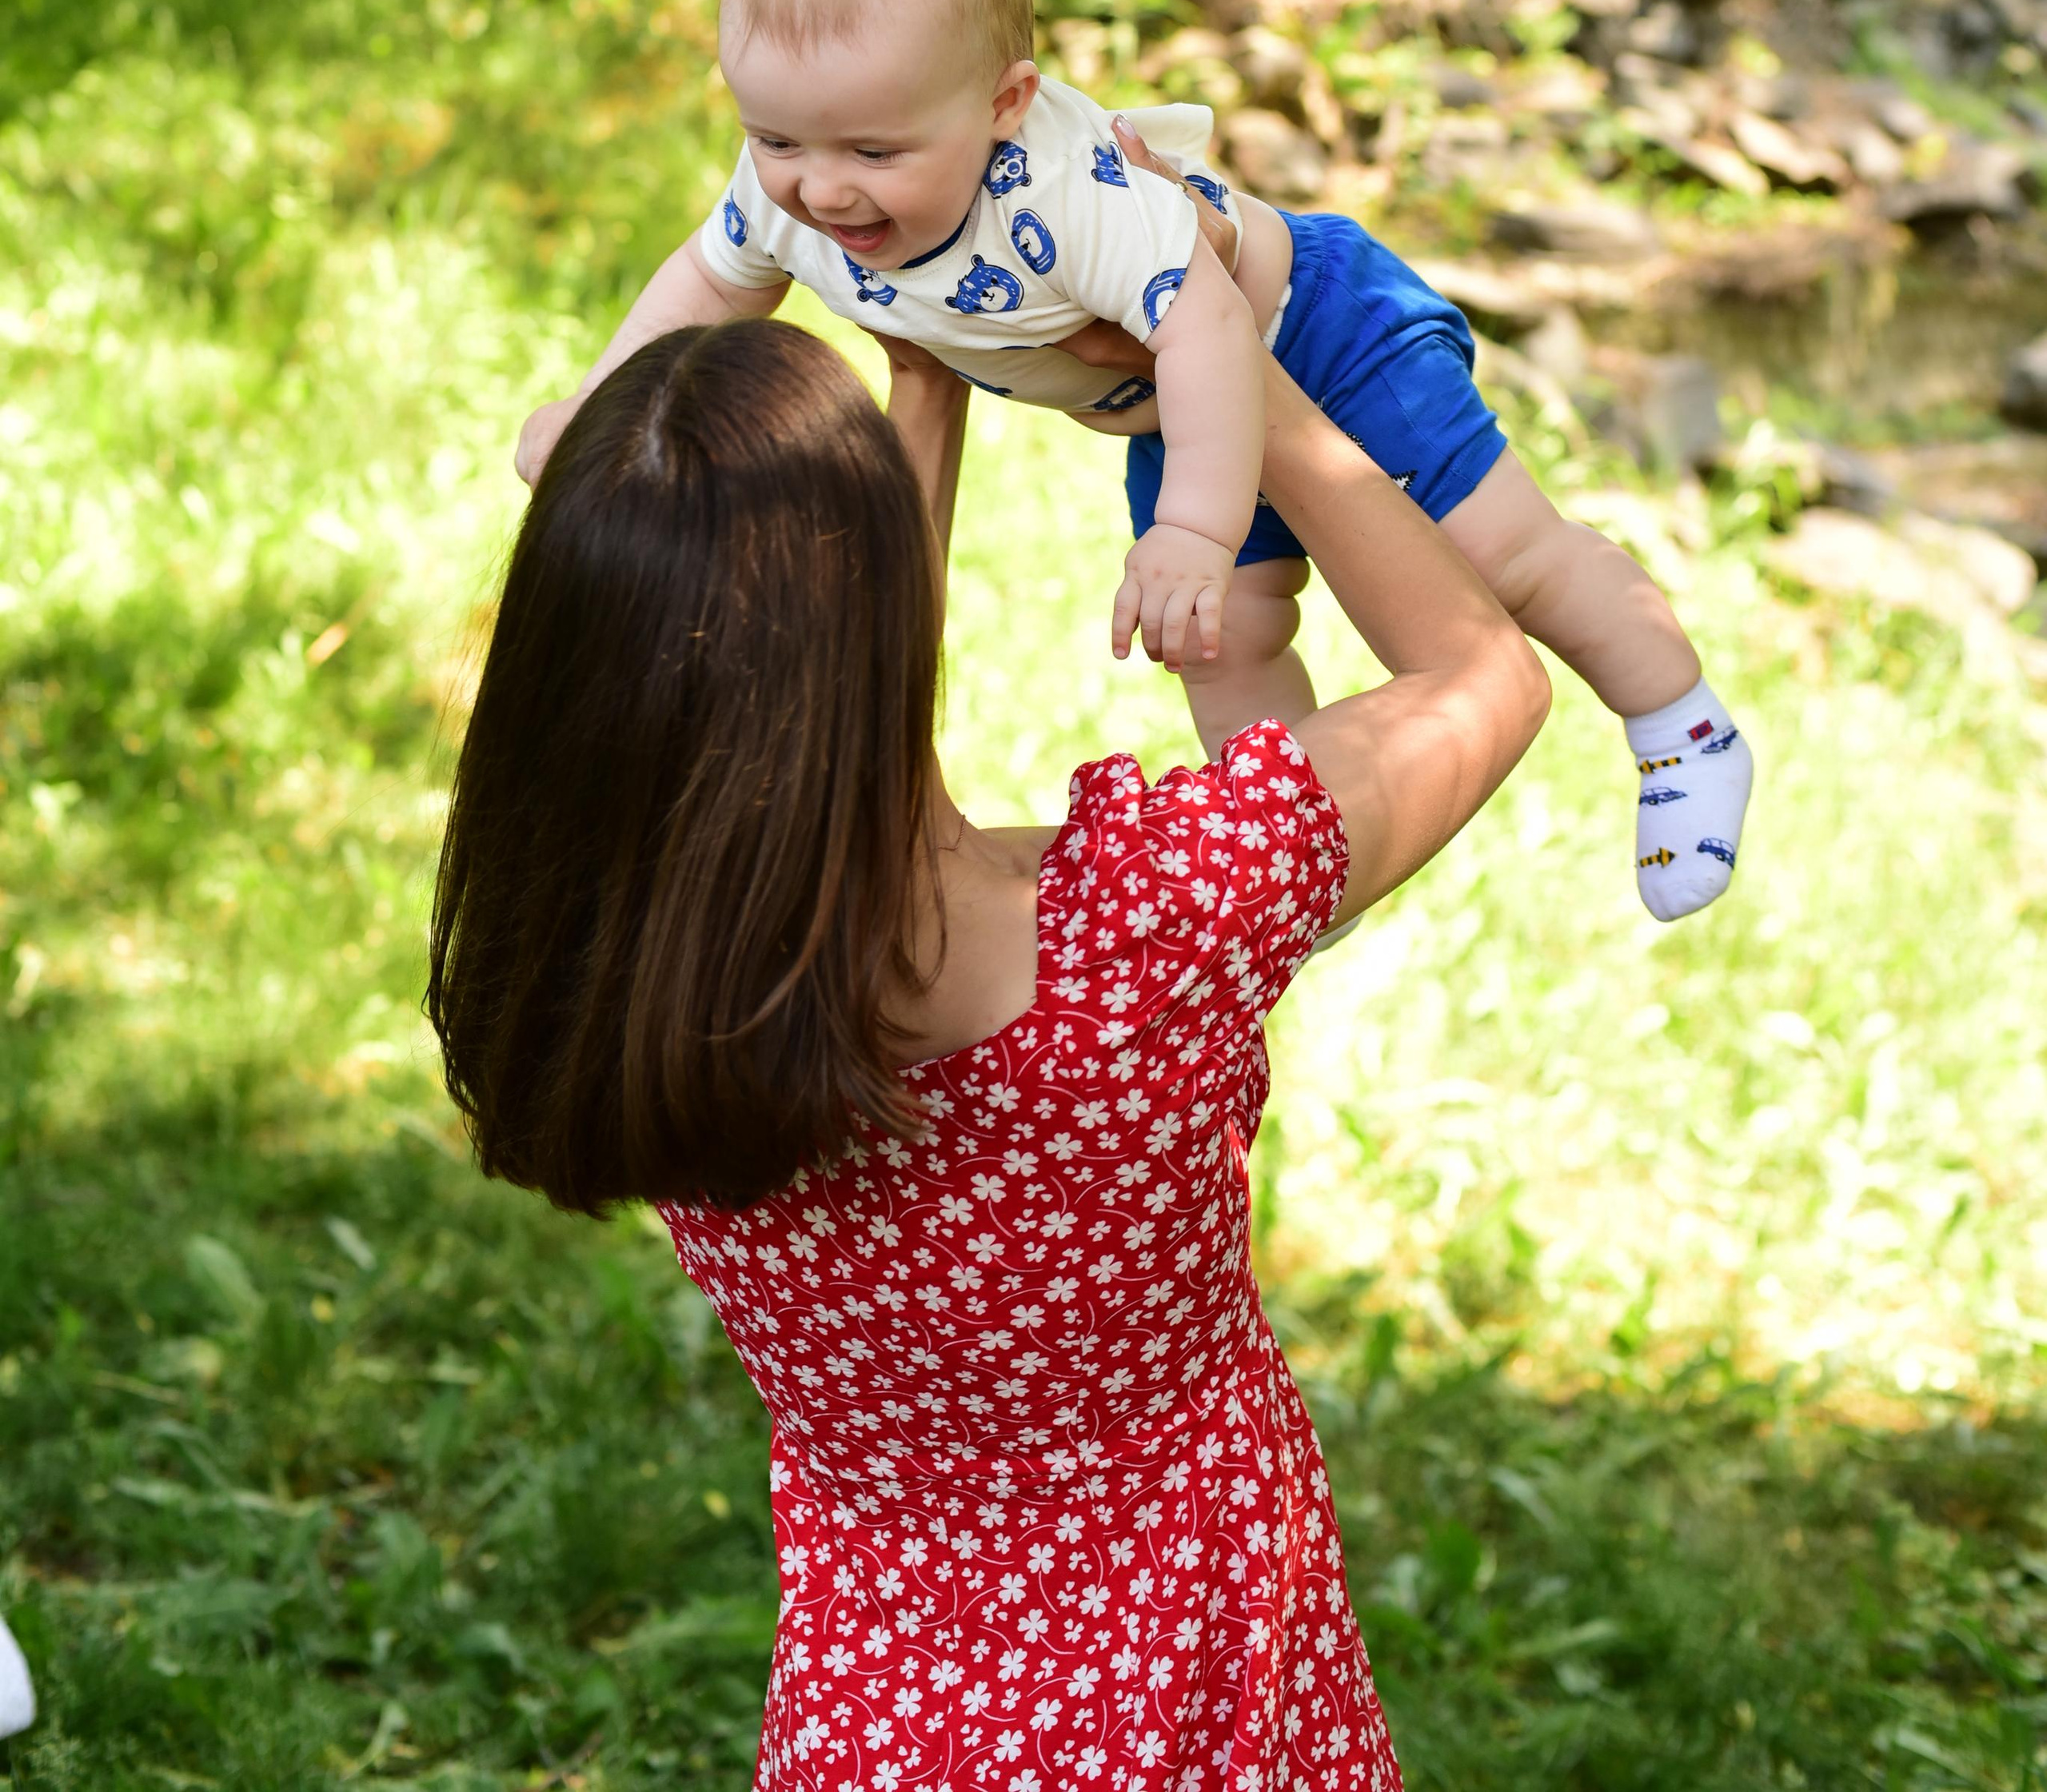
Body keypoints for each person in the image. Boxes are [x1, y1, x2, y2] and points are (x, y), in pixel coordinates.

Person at [432, 302, 1549, 1789]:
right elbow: (1484, 682)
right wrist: (1244, 371)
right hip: (1197, 1704)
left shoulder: (621, 990)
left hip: (880, 1720)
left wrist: (924, 379)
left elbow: (808, 713)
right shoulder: (1154, 920)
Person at [516, 0, 1753, 924]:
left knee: (1498, 556)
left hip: (1305, 326)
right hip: (1170, 403)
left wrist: (1196, 529)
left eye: (874, 149)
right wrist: (597, 411)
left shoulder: (1069, 193)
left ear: (1006, 101)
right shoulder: (794, 185)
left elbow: (1211, 326)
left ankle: (1680, 719)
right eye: (773, 135)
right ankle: (1300, 870)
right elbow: (710, 279)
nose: (818, 186)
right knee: (1215, 642)